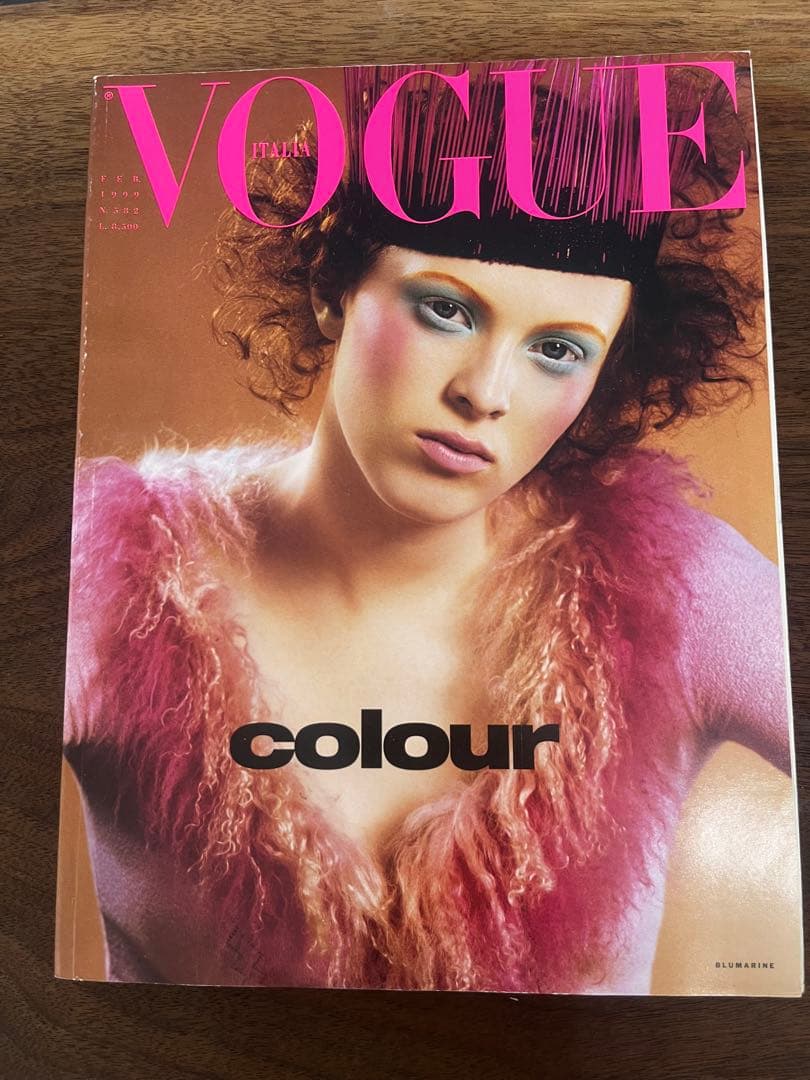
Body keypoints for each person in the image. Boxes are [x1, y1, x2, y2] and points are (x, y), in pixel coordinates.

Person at [63, 61, 793, 992]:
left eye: (557, 350)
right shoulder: (120, 574)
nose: (485, 393)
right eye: (446, 309)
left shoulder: (674, 593)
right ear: (334, 284)